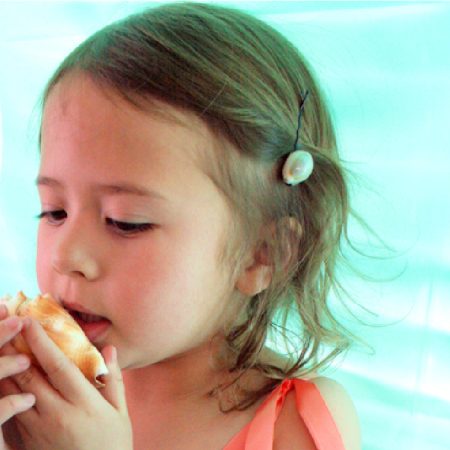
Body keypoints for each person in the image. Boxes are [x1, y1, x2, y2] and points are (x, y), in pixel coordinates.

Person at [0, 2, 362, 449]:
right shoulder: (26, 388)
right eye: (54, 211)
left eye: (124, 222)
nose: (65, 255)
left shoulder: (295, 420)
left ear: (262, 253)